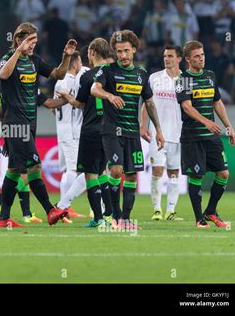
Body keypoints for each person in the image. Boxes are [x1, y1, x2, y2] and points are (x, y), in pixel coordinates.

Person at [0, 22, 77, 227]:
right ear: (18, 39)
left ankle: (3, 218)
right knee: (34, 166)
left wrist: (66, 56)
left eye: (35, 41)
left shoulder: (34, 61)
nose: (32, 45)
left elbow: (58, 74)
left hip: (30, 123)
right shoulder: (7, 60)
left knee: (14, 170)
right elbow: (3, 75)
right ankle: (50, 210)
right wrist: (18, 51)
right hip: (14, 123)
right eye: (29, 41)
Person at [91, 30, 165, 230]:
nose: (122, 55)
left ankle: (125, 219)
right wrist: (109, 96)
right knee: (116, 171)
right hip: (112, 130)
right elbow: (94, 89)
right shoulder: (107, 70)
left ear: (134, 49)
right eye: (118, 51)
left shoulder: (141, 75)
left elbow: (149, 103)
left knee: (131, 176)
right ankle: (114, 217)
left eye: (126, 51)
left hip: (132, 132)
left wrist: (157, 129)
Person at [176, 40, 235, 228]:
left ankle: (210, 211)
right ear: (188, 59)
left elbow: (217, 102)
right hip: (193, 136)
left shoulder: (210, 76)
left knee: (224, 173)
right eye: (197, 56)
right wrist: (207, 122)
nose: (201, 59)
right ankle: (198, 219)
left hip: (211, 136)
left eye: (202, 55)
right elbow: (187, 107)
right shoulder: (183, 80)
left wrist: (229, 126)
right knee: (196, 176)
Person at [57, 38, 114, 227]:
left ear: (92, 52)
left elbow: (79, 104)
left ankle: (98, 218)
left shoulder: (87, 76)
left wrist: (66, 96)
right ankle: (109, 215)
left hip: (91, 129)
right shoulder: (114, 73)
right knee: (102, 172)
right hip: (109, 129)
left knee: (90, 174)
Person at [140, 45, 184, 221]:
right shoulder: (154, 78)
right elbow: (146, 103)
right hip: (157, 134)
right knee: (157, 171)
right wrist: (143, 125)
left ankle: (171, 211)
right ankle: (157, 210)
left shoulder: (186, 80)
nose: (166, 59)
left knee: (174, 173)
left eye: (170, 56)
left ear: (179, 59)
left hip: (179, 134)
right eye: (165, 56)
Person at [53, 51, 86, 221]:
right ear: (75, 63)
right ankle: (64, 206)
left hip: (62, 130)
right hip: (74, 132)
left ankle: (65, 208)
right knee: (76, 169)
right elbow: (80, 104)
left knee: (68, 169)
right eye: (80, 61)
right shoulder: (75, 81)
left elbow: (53, 107)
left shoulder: (59, 82)